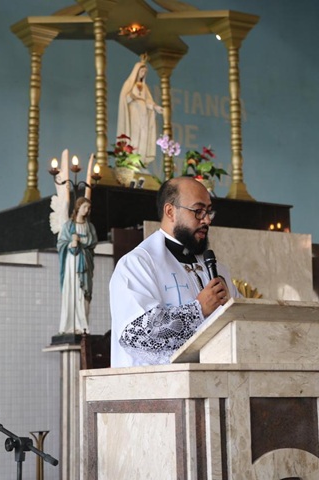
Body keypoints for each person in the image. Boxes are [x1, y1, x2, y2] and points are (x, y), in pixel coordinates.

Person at [109, 176, 239, 367]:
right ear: (170, 211)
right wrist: (198, 310)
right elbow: (137, 334)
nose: (206, 220)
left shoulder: (217, 269)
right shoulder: (137, 264)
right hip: (157, 383)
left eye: (209, 212)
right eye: (198, 211)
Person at [58, 196, 98, 335]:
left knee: (83, 292)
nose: (86, 210)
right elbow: (61, 243)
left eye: (89, 208)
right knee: (73, 290)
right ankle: (70, 324)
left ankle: (83, 326)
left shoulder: (89, 227)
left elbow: (92, 242)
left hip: (85, 263)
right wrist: (71, 243)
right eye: (84, 207)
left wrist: (81, 241)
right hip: (72, 263)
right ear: (78, 207)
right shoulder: (69, 226)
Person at [117, 56, 163, 167]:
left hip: (144, 115)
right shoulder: (129, 85)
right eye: (142, 71)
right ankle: (131, 161)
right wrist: (131, 97)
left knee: (143, 136)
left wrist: (155, 107)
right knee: (134, 136)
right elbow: (124, 98)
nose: (143, 74)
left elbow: (148, 101)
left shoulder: (145, 87)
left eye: (145, 72)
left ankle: (141, 162)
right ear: (136, 71)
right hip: (133, 114)